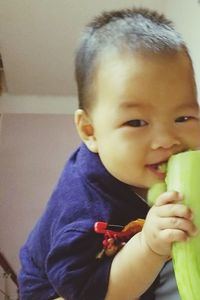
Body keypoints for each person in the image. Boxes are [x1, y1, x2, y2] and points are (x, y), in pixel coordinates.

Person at [18, 7, 200, 300]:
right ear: (90, 132)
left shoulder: (164, 164)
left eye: (183, 118)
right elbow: (89, 292)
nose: (166, 140)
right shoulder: (82, 209)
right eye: (136, 122)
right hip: (64, 288)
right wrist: (149, 248)